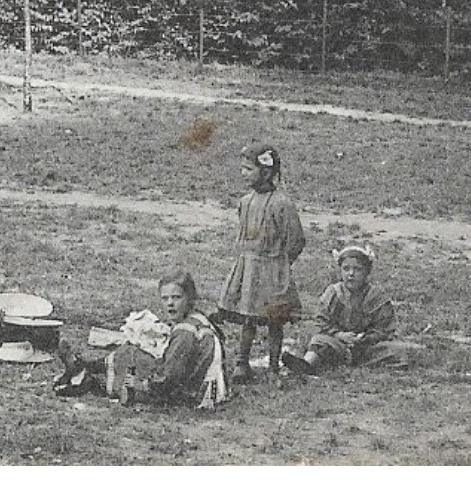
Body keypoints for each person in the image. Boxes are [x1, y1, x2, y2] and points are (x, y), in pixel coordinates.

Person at [217, 143, 305, 381]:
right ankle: (242, 363)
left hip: (273, 269)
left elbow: (296, 239)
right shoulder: (245, 202)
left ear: (265, 172)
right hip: (249, 268)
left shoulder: (281, 204)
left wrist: (280, 264)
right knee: (248, 317)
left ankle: (273, 367)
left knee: (274, 320)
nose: (243, 174)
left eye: (248, 169)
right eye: (242, 169)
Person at [283, 246, 420, 374]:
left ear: (367, 272)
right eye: (346, 269)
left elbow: (384, 328)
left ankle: (350, 361)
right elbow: (321, 322)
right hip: (337, 343)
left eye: (357, 269)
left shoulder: (377, 297)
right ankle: (307, 365)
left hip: (367, 346)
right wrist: (339, 335)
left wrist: (363, 338)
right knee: (319, 341)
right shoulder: (333, 293)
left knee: (399, 350)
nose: (351, 274)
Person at [109, 271, 227, 408]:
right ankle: (92, 370)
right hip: (210, 387)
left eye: (176, 297)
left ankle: (90, 377)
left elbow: (169, 377)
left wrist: (141, 384)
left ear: (190, 298)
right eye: (165, 298)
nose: (170, 303)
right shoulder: (199, 318)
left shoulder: (185, 331)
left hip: (193, 394)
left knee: (129, 354)